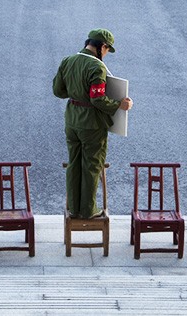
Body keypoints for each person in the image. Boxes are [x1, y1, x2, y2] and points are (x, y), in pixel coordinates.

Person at [52, 28, 133, 219]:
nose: (106, 54)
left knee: (74, 163)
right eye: (106, 50)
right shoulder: (97, 68)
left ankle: (73, 207)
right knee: (91, 165)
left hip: (72, 121)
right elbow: (97, 99)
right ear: (102, 46)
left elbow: (58, 91)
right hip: (92, 124)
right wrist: (119, 104)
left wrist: (76, 91)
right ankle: (88, 210)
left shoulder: (68, 60)